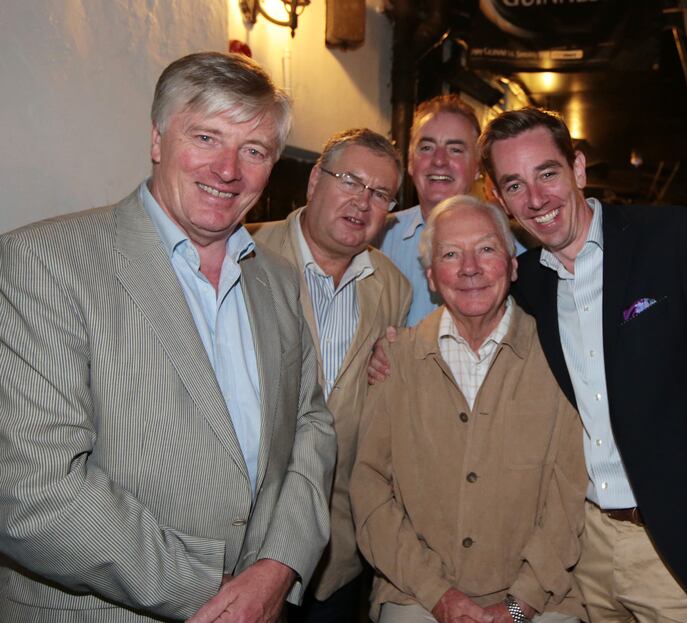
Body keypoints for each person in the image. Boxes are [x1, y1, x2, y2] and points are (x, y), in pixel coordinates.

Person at [0, 52, 336, 623]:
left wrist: (280, 566)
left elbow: (311, 424)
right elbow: (34, 490)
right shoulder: (41, 262)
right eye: (206, 137)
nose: (228, 169)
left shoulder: (276, 277)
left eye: (253, 151)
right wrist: (214, 593)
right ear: (157, 140)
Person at [478, 106, 687, 622]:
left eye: (548, 174)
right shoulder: (527, 280)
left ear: (578, 169)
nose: (536, 199)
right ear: (498, 196)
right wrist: (392, 345)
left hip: (677, 546)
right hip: (584, 550)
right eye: (514, 185)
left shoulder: (670, 239)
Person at [351, 195, 587, 623]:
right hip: (415, 592)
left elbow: (569, 496)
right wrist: (438, 595)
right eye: (450, 254)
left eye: (486, 249)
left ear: (513, 265)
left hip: (541, 596)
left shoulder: (558, 355)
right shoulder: (397, 359)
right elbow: (368, 487)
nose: (470, 268)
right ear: (432, 279)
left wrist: (518, 607)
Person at [253, 128, 412, 623]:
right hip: (246, 543)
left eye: (380, 193)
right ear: (314, 180)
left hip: (337, 549)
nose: (362, 202)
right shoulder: (245, 255)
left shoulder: (392, 286)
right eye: (350, 180)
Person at [377, 95, 526, 327]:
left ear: (478, 166)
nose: (438, 160)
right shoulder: (378, 240)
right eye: (426, 147)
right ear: (410, 162)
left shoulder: (514, 250)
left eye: (455, 150)